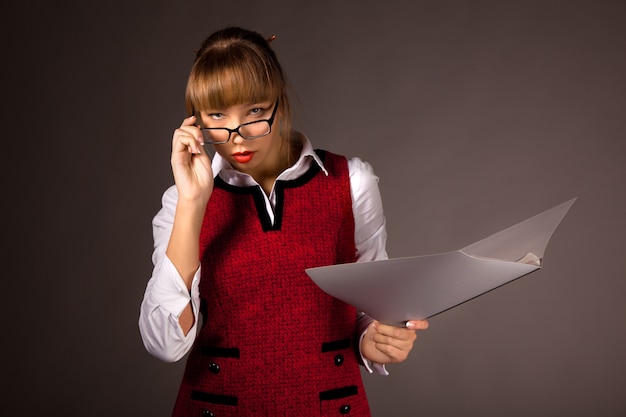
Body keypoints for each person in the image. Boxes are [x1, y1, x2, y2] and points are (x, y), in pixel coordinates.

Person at [138, 26, 429, 417]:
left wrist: (373, 339)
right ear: (195, 121)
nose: (237, 137)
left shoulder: (349, 181)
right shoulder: (183, 201)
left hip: (328, 405)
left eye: (255, 111)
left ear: (279, 101)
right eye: (217, 115)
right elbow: (164, 344)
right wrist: (193, 202)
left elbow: (367, 308)